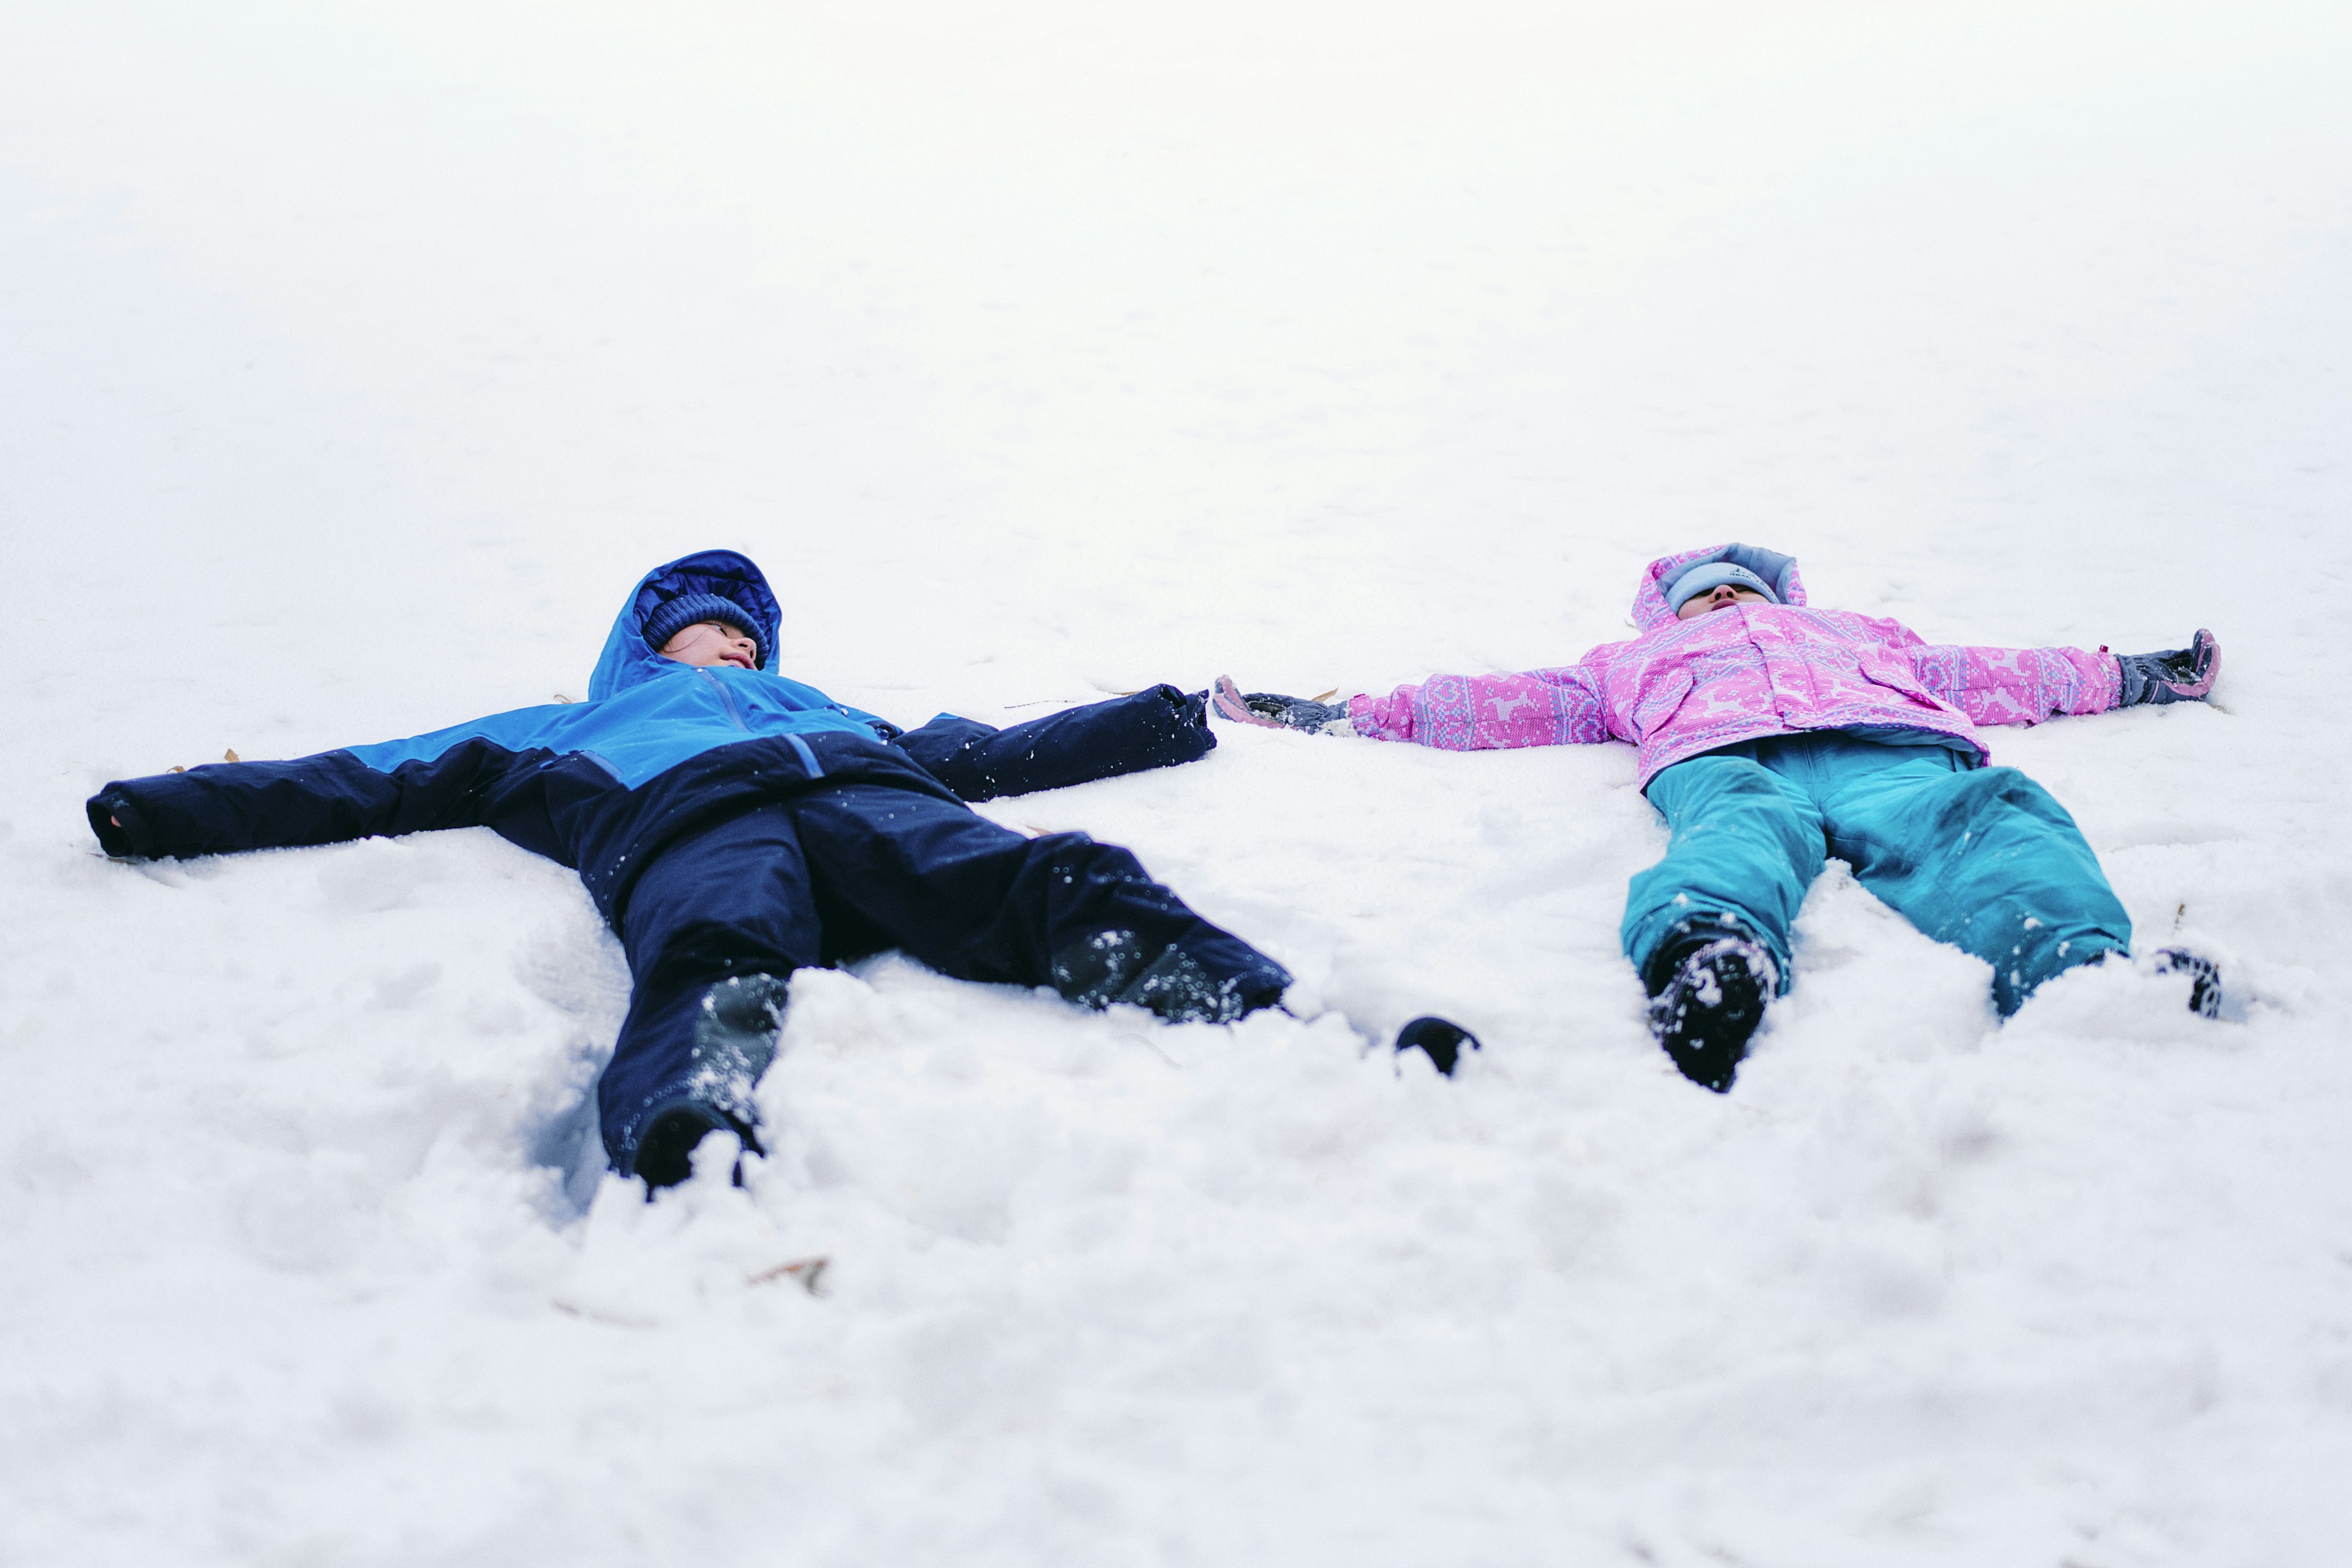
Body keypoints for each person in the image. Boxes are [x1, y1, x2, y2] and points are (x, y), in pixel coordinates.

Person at [90, 549, 1472, 1190]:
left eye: (750, 634)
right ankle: (690, 1122)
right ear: (654, 645)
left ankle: (1251, 1003)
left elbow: (989, 755)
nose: (737, 647)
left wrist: (1151, 718)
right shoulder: (562, 726)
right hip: (696, 828)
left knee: (1054, 879)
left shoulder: (843, 714)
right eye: (710, 631)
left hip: (871, 802)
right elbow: (368, 774)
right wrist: (167, 806)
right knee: (718, 950)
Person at [1215, 542, 2221, 1091]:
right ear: (1670, 617)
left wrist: (2129, 674)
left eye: (1736, 588)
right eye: (1702, 598)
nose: (1724, 603)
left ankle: (2079, 966)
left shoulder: (1855, 632)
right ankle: (1708, 955)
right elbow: (1499, 701)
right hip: (1724, 757)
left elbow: (1997, 672)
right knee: (1737, 835)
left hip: (1889, 749)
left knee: (1988, 816)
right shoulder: (1626, 665)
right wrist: (1347, 715)